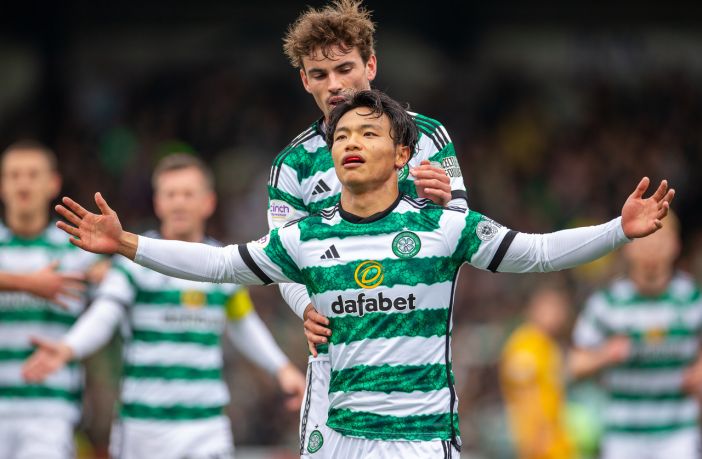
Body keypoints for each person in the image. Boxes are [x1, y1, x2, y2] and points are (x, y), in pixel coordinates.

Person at [54, 90, 673, 458]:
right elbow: (220, 263)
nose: (350, 142)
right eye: (341, 135)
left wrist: (617, 230)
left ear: (403, 154)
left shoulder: (444, 226)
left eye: (369, 133)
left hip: (421, 439)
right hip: (344, 439)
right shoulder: (306, 236)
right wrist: (128, 243)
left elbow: (535, 252)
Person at [273, 2, 468, 454]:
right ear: (305, 81)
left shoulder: (428, 137)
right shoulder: (292, 165)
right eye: (319, 74)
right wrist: (305, 306)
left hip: (411, 353)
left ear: (371, 66)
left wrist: (447, 202)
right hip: (336, 355)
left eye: (344, 68)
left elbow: (465, 232)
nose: (334, 84)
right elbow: (282, 262)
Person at [23, 154, 306, 459]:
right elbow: (104, 315)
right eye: (171, 194)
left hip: (205, 425)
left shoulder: (225, 264)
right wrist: (69, 348)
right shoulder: (131, 263)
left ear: (208, 202)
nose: (179, 203)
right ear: (158, 203)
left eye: (188, 194)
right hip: (143, 427)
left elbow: (243, 323)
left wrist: (282, 369)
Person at [570, 212, 702, 459]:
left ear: (675, 245)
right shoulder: (607, 304)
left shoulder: (693, 300)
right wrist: (606, 354)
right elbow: (575, 364)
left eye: (659, 239)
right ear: (628, 247)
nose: (652, 248)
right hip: (623, 437)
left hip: (678, 434)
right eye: (645, 239)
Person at [0, 141, 101, 459]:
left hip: (50, 410)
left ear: (53, 183)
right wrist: (28, 284)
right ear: (2, 185)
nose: (23, 184)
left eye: (33, 175)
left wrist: (107, 271)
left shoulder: (79, 250)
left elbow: (116, 292)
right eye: (14, 175)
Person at [500, 284, 575, 459]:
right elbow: (524, 393)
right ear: (535, 309)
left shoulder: (547, 344)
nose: (559, 315)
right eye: (553, 308)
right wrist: (536, 436)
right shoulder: (525, 344)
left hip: (554, 440)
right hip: (539, 443)